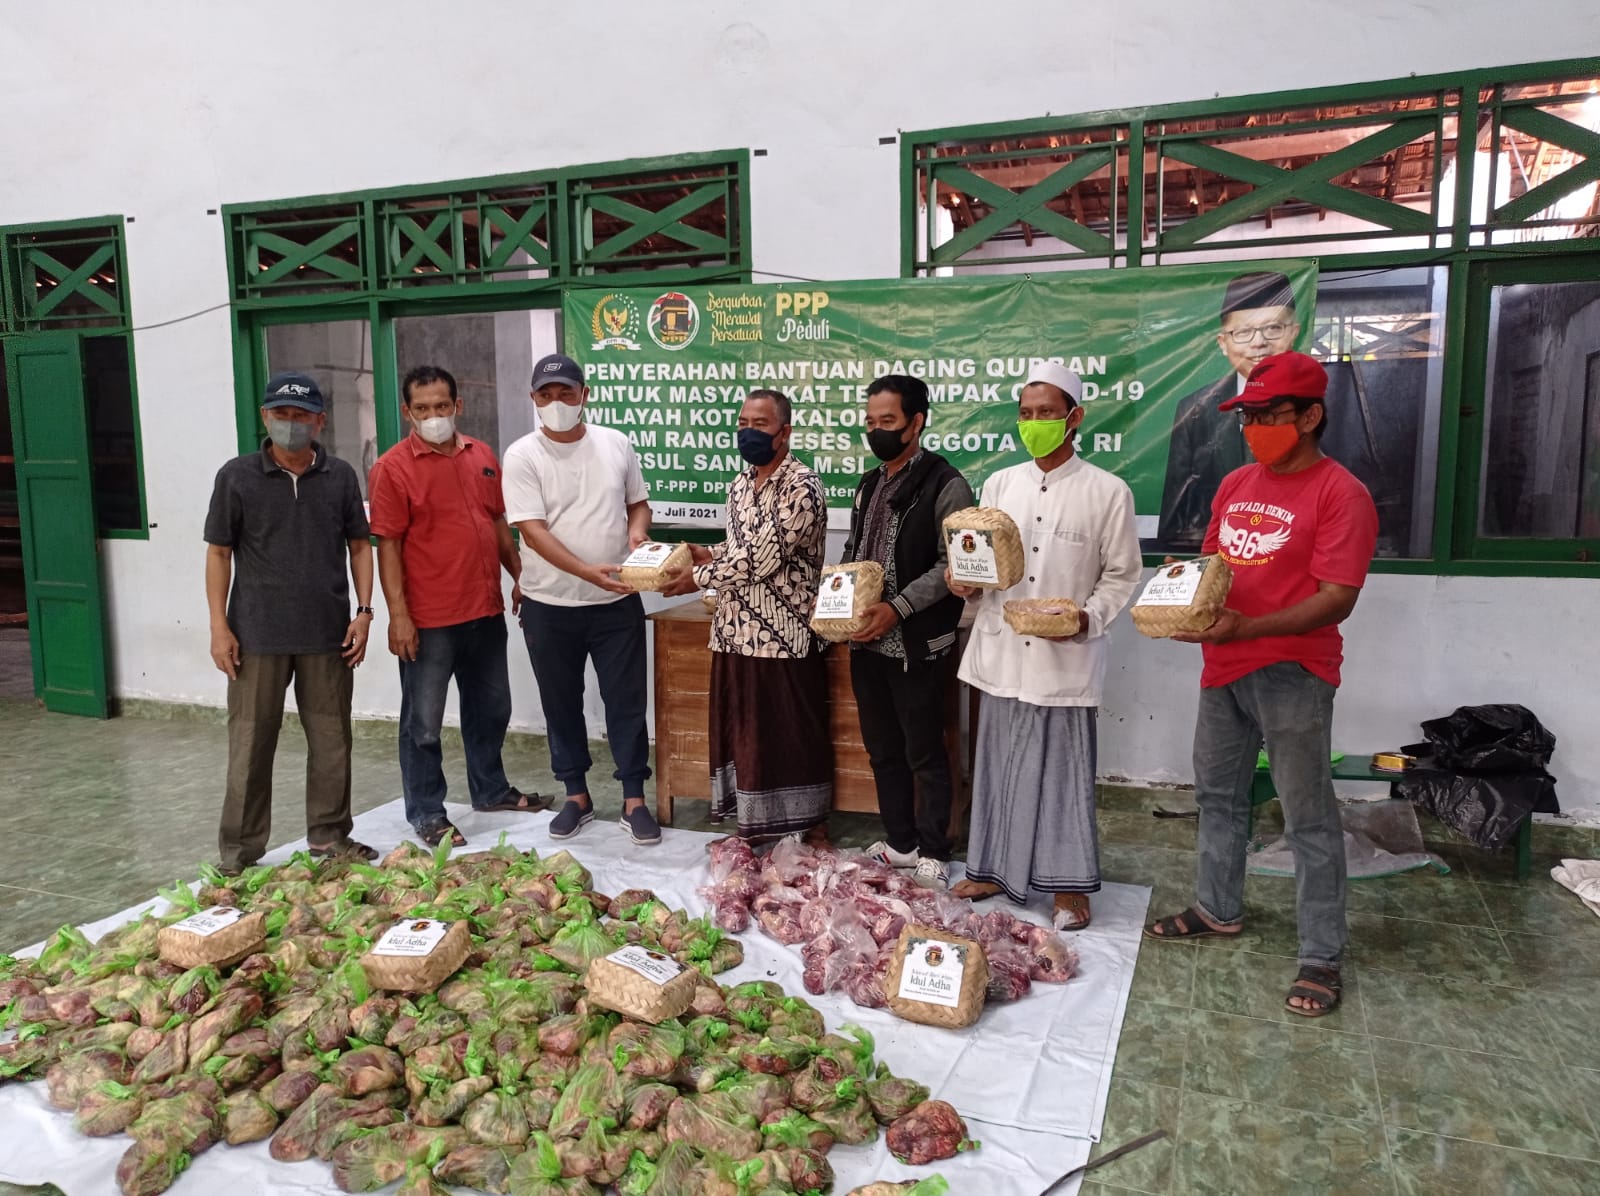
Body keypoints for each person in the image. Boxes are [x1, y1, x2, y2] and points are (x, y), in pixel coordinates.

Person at [1145, 351, 1379, 1019]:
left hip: (1294, 674)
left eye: (1269, 415)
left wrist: (1249, 629)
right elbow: (1215, 567)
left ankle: (1322, 955)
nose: (1254, 428)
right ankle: (1217, 908)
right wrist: (1185, 601)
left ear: (1311, 415)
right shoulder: (1236, 484)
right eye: (1247, 416)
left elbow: (1337, 598)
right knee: (1218, 797)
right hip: (1224, 670)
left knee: (1307, 818)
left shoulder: (1342, 494)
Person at [947, 362, 1142, 930]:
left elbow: (1122, 575)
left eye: (1047, 414)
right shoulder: (1000, 484)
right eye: (1026, 414)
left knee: (1063, 773)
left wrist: (1087, 617)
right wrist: (967, 581)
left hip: (1065, 656)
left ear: (1074, 418)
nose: (1034, 423)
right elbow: (982, 563)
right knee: (998, 766)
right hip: (1002, 649)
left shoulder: (1107, 491)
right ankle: (989, 869)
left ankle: (1069, 888)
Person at [203, 371, 377, 873]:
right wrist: (219, 626)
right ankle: (238, 852)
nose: (291, 424)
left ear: (320, 421)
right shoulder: (237, 477)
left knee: (331, 741)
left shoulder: (340, 476)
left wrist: (364, 614)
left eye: (302, 416)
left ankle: (329, 838)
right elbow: (218, 554)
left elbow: (360, 547)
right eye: (281, 414)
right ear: (265, 417)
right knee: (250, 745)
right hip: (256, 637)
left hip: (328, 635)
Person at [368, 364, 544, 849]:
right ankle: (427, 811)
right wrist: (397, 616)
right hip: (428, 621)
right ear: (408, 412)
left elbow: (496, 521)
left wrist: (520, 576)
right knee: (423, 723)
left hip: (483, 610)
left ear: (457, 406)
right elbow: (388, 545)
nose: (433, 416)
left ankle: (490, 790)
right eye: (422, 409)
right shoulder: (392, 468)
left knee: (492, 709)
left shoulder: (482, 456)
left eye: (441, 406)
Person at [502, 353, 659, 845]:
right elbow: (532, 530)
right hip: (549, 604)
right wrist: (586, 570)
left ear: (584, 394)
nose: (556, 403)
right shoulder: (522, 455)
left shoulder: (615, 443)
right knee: (560, 703)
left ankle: (634, 800)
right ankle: (576, 796)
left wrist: (637, 536)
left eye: (566, 393)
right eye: (545, 395)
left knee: (626, 703)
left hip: (617, 602)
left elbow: (638, 502)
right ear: (533, 400)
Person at [661, 389, 831, 842]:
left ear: (785, 431)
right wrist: (705, 552)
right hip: (735, 631)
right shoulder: (739, 485)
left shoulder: (802, 486)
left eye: (759, 424)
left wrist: (698, 576)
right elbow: (737, 551)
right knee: (747, 736)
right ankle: (756, 828)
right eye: (743, 423)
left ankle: (808, 828)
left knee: (790, 736)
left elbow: (764, 558)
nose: (748, 432)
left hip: (785, 635)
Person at [843, 374, 975, 889]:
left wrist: (895, 609)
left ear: (916, 423)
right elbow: (856, 552)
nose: (876, 431)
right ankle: (900, 842)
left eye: (888, 422)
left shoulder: (947, 484)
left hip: (916, 644)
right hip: (864, 640)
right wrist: (840, 605)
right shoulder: (869, 483)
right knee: (882, 749)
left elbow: (953, 564)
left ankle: (934, 849)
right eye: (871, 422)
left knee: (925, 750)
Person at [1157, 271, 1300, 550]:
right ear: (1223, 343)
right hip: (1217, 557)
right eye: (1244, 332)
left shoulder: (1316, 404)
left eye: (1273, 329)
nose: (1259, 342)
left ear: (1293, 333)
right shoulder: (1194, 409)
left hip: (1292, 554)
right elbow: (1178, 509)